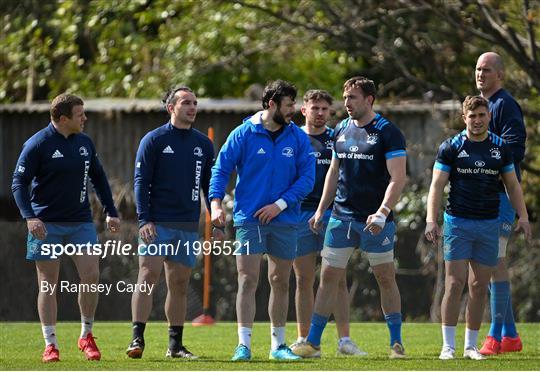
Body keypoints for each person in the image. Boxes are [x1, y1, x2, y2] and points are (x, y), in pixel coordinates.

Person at [293, 76, 407, 359]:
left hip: (375, 221)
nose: (346, 103)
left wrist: (382, 213)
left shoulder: (387, 132)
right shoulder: (341, 129)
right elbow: (334, 172)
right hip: (341, 217)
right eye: (344, 98)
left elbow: (398, 178)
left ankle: (396, 343)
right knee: (328, 276)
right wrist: (321, 209)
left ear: (369, 100)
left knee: (384, 277)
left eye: (352, 98)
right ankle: (313, 343)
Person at [209, 80, 315, 361]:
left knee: (280, 280)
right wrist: (216, 204)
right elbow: (220, 169)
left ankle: (278, 346)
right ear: (271, 104)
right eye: (290, 104)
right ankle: (243, 345)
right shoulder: (243, 133)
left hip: (286, 219)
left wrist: (279, 205)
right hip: (248, 219)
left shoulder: (298, 138)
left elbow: (307, 179)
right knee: (247, 279)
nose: (295, 109)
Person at [11, 93, 121, 362]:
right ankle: (50, 344)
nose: (85, 118)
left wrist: (111, 211)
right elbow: (18, 183)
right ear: (63, 118)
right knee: (48, 284)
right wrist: (30, 217)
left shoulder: (84, 143)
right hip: (46, 225)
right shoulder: (38, 144)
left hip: (80, 222)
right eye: (80, 114)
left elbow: (99, 178)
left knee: (92, 275)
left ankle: (86, 335)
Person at [424, 96, 531, 360]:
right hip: (458, 222)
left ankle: (470, 346)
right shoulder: (451, 147)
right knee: (454, 282)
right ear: (464, 118)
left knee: (479, 285)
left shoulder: (500, 148)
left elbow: (513, 186)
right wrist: (431, 219)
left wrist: (524, 216)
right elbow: (436, 186)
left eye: (482, 115)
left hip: (488, 224)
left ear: (488, 117)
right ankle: (448, 346)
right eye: (472, 116)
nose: (478, 120)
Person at [126, 86, 214, 359]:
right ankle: (136, 338)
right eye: (186, 102)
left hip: (187, 224)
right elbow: (140, 182)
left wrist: (216, 220)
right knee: (147, 277)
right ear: (171, 108)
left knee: (178, 284)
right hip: (156, 223)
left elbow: (210, 185)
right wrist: (144, 220)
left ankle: (175, 346)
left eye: (195, 103)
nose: (192, 107)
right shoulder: (153, 140)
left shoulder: (203, 144)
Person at [289, 89, 366, 357]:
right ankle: (306, 340)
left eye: (325, 109)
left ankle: (344, 340)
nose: (320, 113)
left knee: (337, 279)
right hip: (300, 215)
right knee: (303, 279)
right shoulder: (294, 137)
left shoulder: (338, 137)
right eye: (315, 108)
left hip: (335, 215)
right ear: (304, 110)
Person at [474, 52, 528, 355]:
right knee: (491, 262)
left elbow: (515, 148)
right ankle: (510, 336)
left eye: (487, 70)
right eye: (478, 69)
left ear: (500, 75)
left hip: (502, 195)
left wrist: (481, 158)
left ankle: (494, 336)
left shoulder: (505, 104)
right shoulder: (480, 105)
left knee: (494, 261)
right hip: (479, 197)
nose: (481, 74)